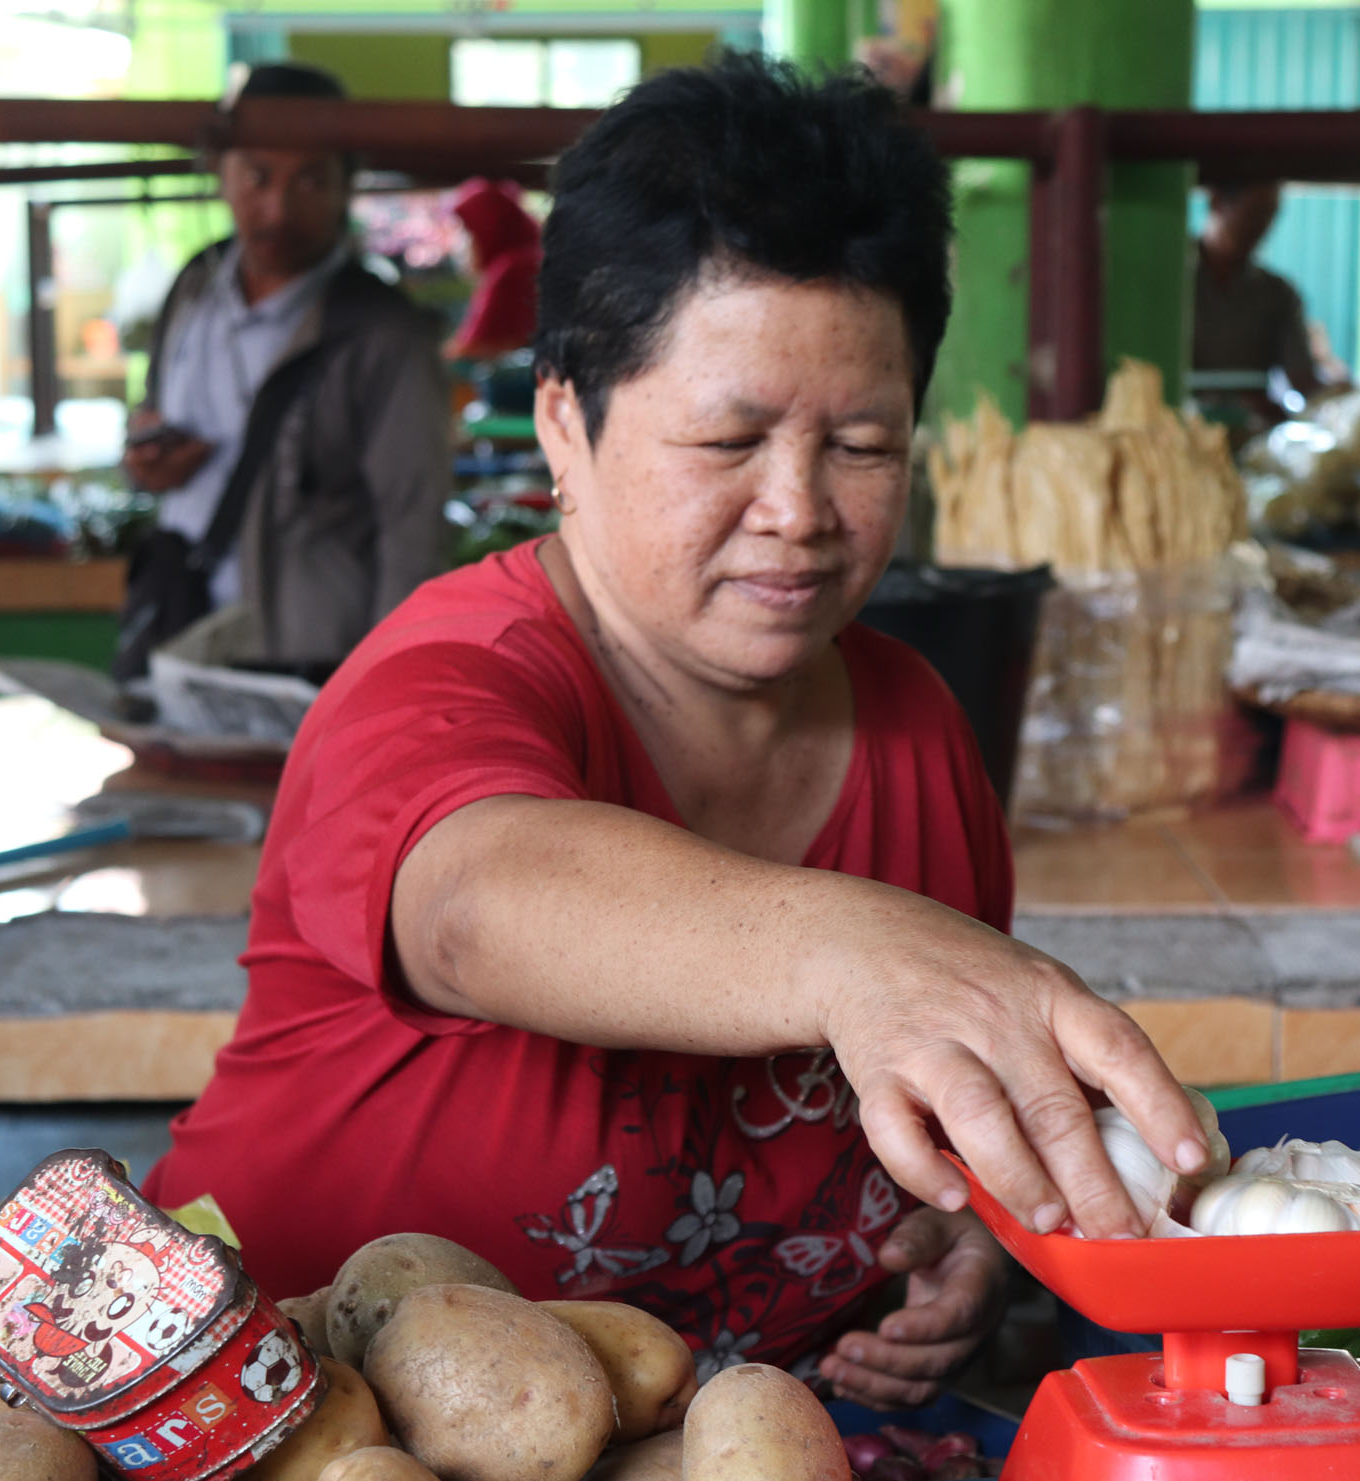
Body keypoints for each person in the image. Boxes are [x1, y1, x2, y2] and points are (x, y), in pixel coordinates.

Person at [140, 56, 1210, 1408]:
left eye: (864, 445)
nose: (799, 511)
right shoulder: (434, 683)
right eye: (726, 441)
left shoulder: (914, 729)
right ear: (563, 426)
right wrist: (852, 950)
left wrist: (957, 1235)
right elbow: (473, 903)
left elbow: (923, 1102)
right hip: (268, 1425)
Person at [115, 61, 450, 681]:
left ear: (348, 186)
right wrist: (144, 459)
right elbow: (152, 417)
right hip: (183, 630)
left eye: (311, 182)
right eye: (258, 176)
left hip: (312, 652)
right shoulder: (193, 288)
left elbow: (413, 522)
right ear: (223, 173)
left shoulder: (382, 332)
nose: (277, 207)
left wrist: (388, 676)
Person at [1189, 181, 1330, 427]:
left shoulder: (1278, 295)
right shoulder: (1168, 280)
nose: (1262, 227)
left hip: (1249, 434)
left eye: (1269, 216)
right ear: (1217, 203)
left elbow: (1303, 380)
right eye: (1253, 214)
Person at [444, 178, 542, 362]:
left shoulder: (512, 270)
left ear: (487, 228)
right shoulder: (525, 259)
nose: (462, 244)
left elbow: (474, 348)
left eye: (467, 231)